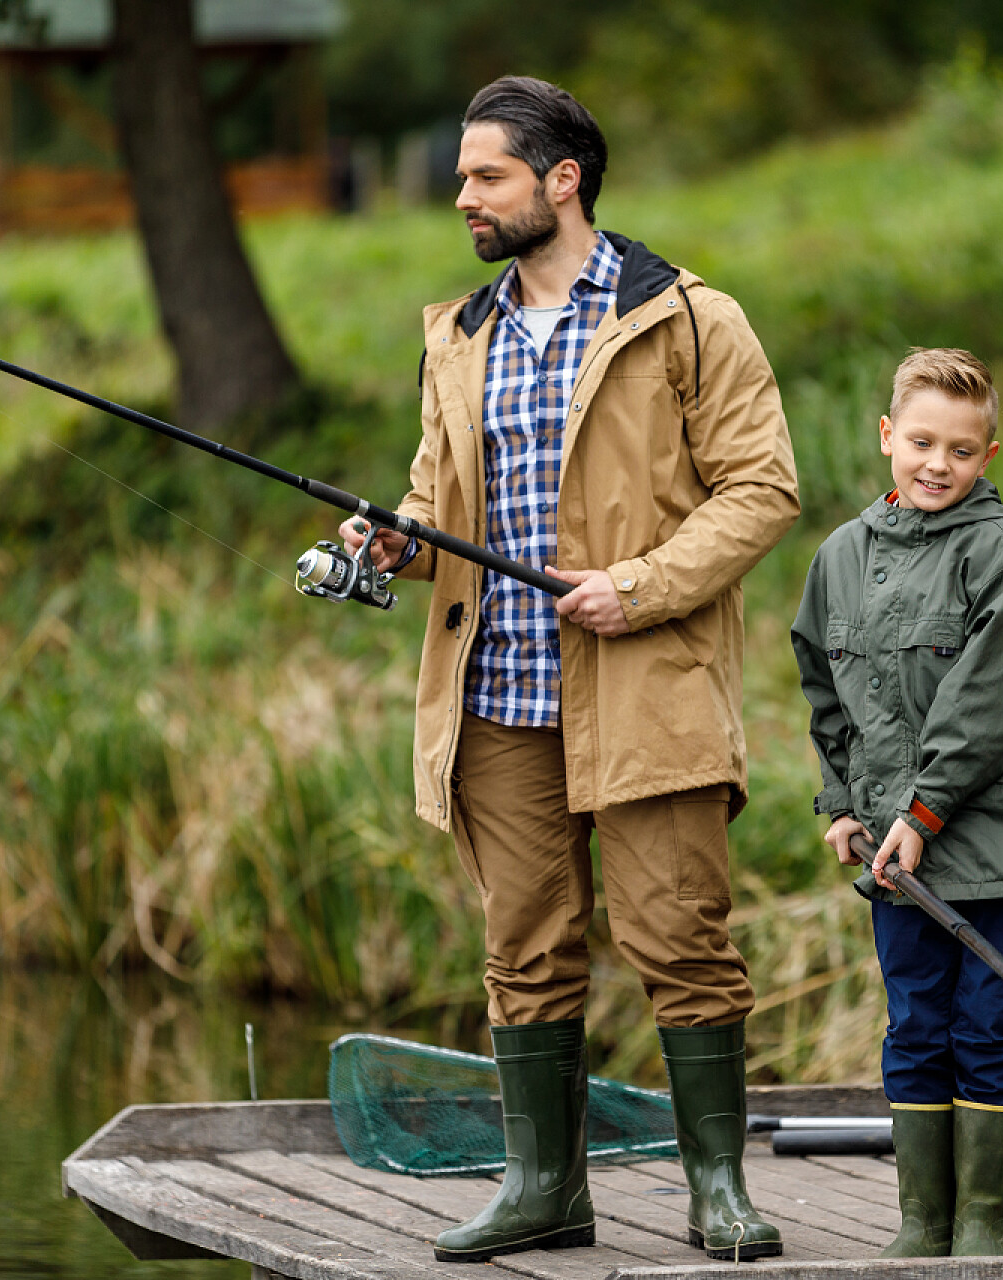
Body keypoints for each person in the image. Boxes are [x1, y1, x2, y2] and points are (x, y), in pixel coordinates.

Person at [340, 77, 798, 1263]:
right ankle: (546, 1188)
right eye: (460, 178)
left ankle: (719, 1194)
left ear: (562, 181)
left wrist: (638, 585)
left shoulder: (690, 318)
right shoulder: (460, 333)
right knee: (525, 949)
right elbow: (438, 500)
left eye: (483, 175)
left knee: (680, 937)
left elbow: (763, 489)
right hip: (494, 697)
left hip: (647, 689)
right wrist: (392, 537)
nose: (463, 198)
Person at [789, 348, 1003, 1257]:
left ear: (987, 456)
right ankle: (923, 1227)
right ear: (887, 438)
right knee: (914, 1024)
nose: (936, 464)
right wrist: (843, 806)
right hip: (894, 852)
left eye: (960, 449)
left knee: (988, 1028)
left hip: (995, 845)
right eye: (920, 442)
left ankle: (981, 1232)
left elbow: (985, 708)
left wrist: (921, 816)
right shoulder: (840, 557)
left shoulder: (1001, 556)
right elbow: (825, 692)